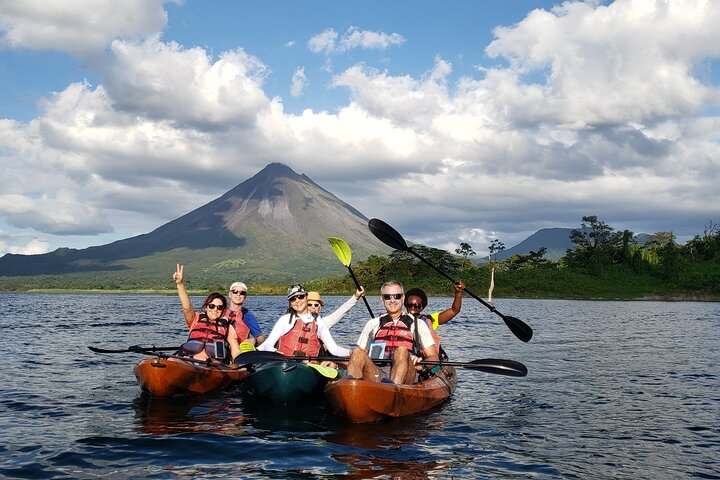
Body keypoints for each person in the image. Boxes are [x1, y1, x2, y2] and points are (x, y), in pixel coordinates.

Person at [347, 281, 439, 385]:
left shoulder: (418, 324)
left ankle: (394, 388)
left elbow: (434, 357)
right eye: (387, 297)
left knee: (401, 350)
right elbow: (359, 356)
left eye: (397, 296)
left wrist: (422, 365)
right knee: (357, 352)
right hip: (377, 372)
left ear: (403, 298)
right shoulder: (372, 324)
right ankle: (350, 386)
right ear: (382, 299)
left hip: (407, 374)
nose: (392, 300)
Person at [257, 284, 351, 363]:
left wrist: (351, 353)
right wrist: (275, 351)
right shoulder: (285, 320)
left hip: (308, 367)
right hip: (285, 363)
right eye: (293, 299)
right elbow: (268, 344)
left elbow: (334, 349)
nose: (297, 301)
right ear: (290, 302)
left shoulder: (319, 322)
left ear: (306, 298)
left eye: (300, 297)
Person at [172, 264, 241, 363]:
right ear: (206, 307)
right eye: (212, 306)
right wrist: (180, 284)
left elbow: (235, 351)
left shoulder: (228, 328)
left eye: (219, 307)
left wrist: (241, 362)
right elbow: (187, 308)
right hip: (187, 362)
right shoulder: (195, 319)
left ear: (223, 310)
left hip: (212, 366)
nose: (215, 309)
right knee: (170, 360)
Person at [225, 281, 265, 346]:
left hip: (241, 349)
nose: (238, 294)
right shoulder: (220, 312)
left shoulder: (248, 316)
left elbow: (260, 337)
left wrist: (254, 341)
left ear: (245, 296)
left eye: (242, 293)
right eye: (235, 291)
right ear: (230, 294)